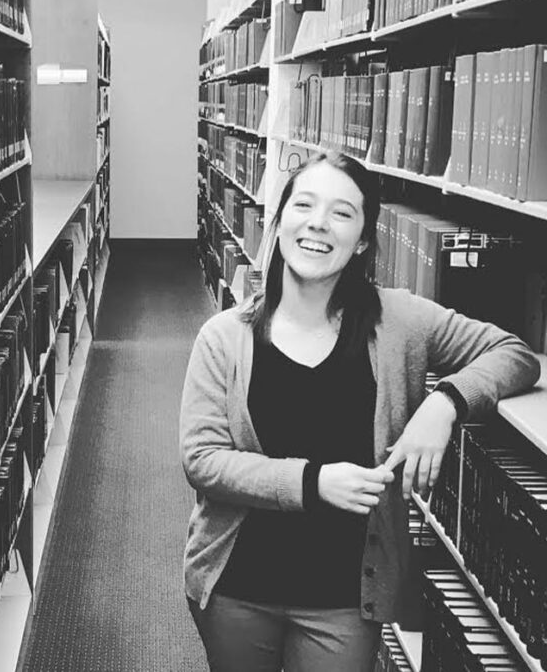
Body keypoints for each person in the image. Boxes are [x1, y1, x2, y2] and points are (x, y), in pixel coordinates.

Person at [179, 152, 541, 672]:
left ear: (364, 240)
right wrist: (313, 483)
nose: (318, 223)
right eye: (303, 205)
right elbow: (203, 461)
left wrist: (445, 403)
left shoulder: (401, 321)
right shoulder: (225, 338)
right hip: (236, 585)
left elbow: (515, 355)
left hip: (345, 596)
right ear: (279, 221)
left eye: (342, 213)